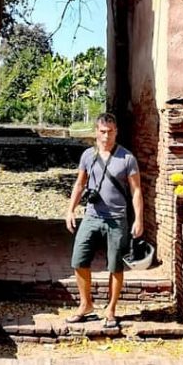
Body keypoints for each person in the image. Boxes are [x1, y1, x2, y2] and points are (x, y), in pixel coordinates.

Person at [64, 113, 143, 329]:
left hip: (117, 218)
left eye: (110, 131)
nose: (106, 135)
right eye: (102, 131)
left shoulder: (127, 158)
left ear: (116, 132)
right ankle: (85, 304)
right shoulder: (88, 156)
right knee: (79, 259)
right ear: (96, 132)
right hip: (92, 215)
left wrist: (138, 219)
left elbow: (136, 191)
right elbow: (79, 184)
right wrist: (70, 210)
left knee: (115, 265)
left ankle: (111, 309)